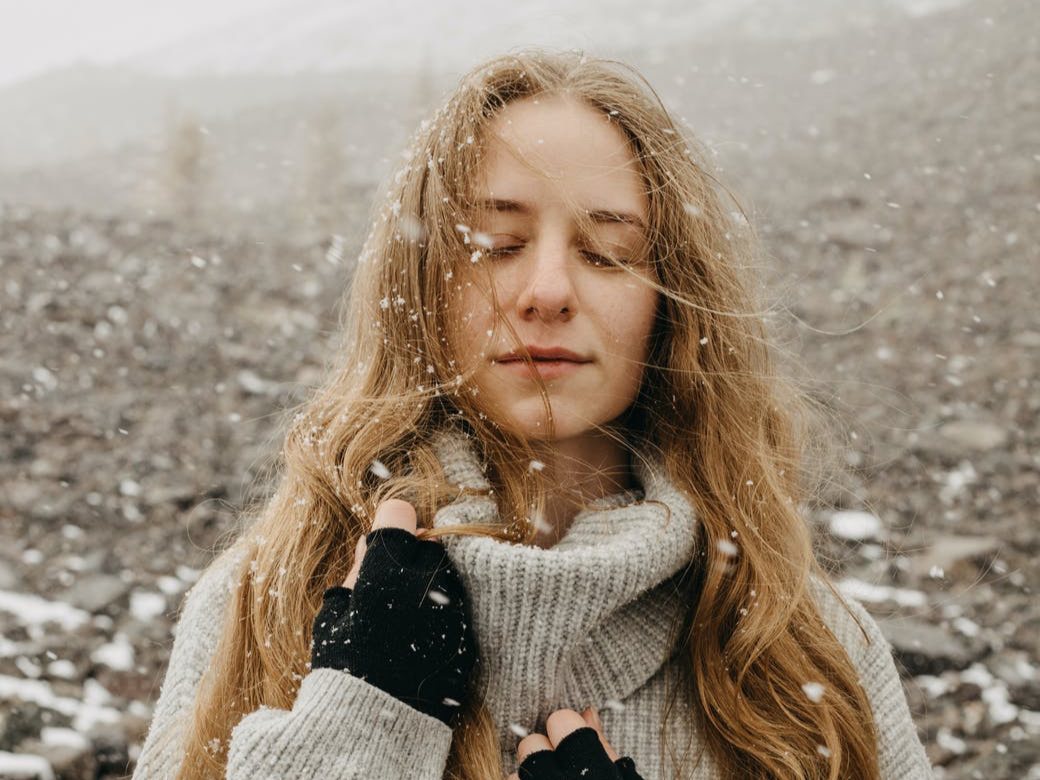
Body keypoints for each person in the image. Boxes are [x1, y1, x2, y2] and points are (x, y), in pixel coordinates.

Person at [131, 48, 935, 780]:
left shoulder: (805, 646)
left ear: (674, 302)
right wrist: (355, 739)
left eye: (607, 251)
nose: (547, 291)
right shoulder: (264, 602)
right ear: (424, 290)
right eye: (492, 243)